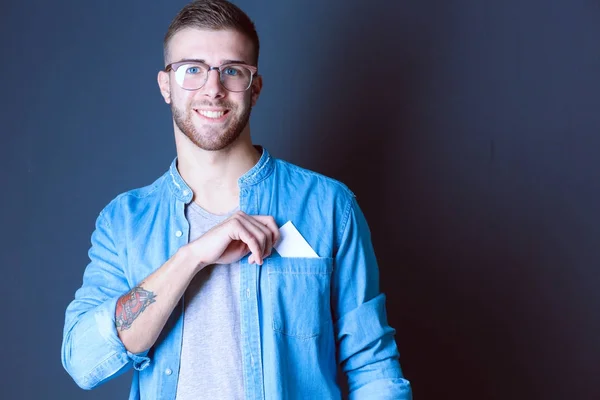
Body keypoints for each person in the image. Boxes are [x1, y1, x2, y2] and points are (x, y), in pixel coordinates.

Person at [61, 1, 412, 399]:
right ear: (166, 86)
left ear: (255, 87)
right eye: (192, 69)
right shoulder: (124, 222)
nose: (212, 88)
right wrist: (191, 257)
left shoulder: (330, 207)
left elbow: (374, 369)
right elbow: (83, 360)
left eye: (232, 71)